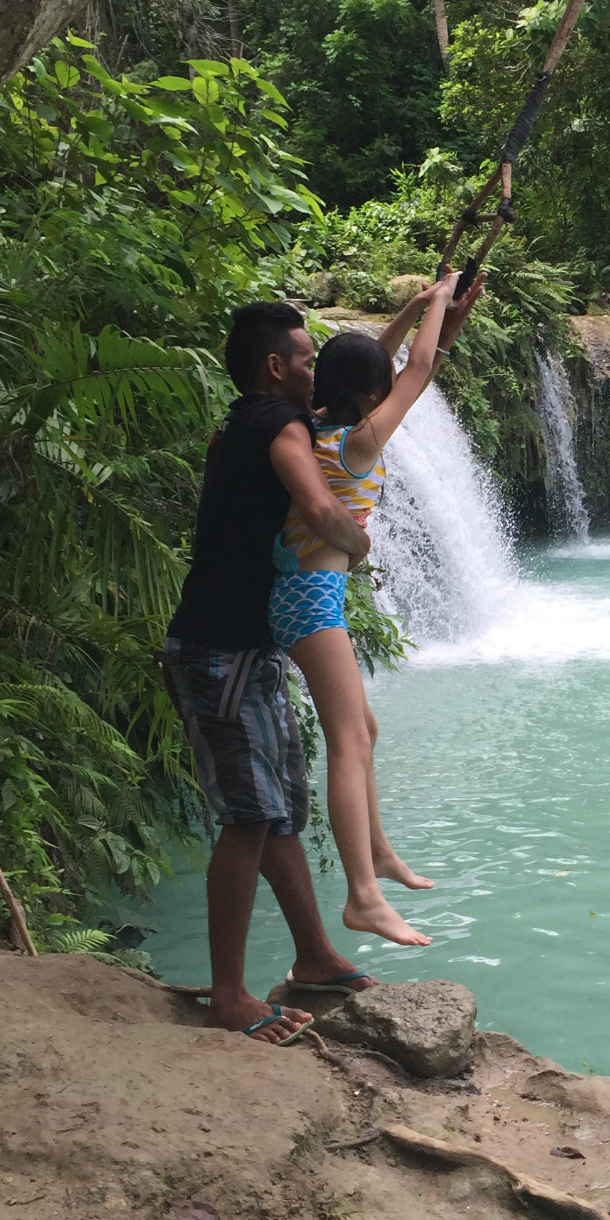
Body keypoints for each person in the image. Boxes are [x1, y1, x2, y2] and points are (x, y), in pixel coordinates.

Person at [161, 302, 385, 1044]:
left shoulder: (244, 421)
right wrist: (356, 545)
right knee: (250, 815)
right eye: (306, 357)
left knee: (280, 806)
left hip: (245, 649)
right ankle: (229, 996)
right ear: (275, 367)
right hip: (217, 650)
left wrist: (428, 319)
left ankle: (316, 956)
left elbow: (367, 383)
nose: (316, 370)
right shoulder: (279, 427)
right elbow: (321, 508)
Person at [268, 272, 481, 947]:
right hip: (308, 598)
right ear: (368, 396)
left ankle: (380, 855)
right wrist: (440, 303)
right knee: (349, 739)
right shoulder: (358, 444)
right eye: (377, 389)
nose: (386, 394)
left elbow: (368, 363)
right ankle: (362, 896)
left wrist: (412, 309)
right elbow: (414, 368)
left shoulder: (313, 425)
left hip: (303, 591)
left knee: (366, 728)